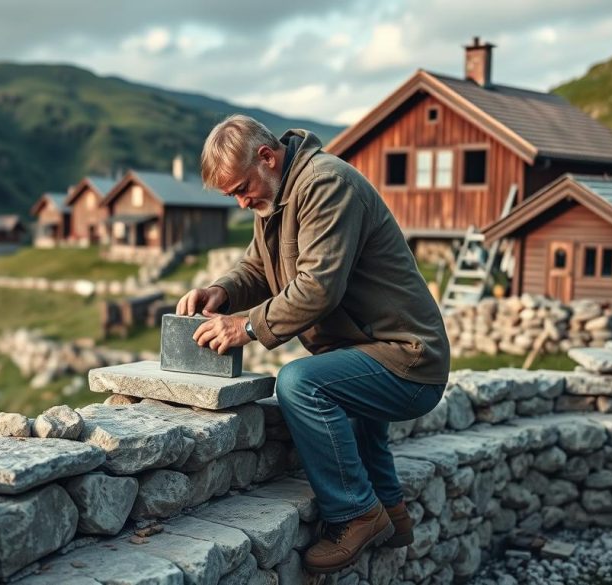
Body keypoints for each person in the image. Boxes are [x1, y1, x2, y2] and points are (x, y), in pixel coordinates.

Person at [177, 115, 450, 574]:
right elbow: (259, 269)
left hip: (409, 359)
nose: (243, 202)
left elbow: (319, 287)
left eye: (243, 188)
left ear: (267, 157)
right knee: (354, 411)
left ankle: (356, 514)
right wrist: (221, 292)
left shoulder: (326, 185)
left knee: (301, 383)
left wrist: (243, 327)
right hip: (368, 350)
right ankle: (392, 515)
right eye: (233, 196)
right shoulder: (276, 198)